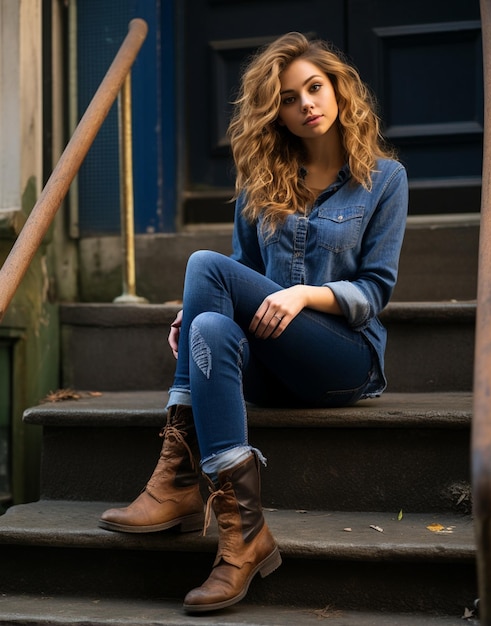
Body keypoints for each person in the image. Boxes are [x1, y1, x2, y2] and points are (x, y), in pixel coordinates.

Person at [99, 31, 408, 613]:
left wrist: (304, 296)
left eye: (314, 88)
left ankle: (177, 479)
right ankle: (242, 536)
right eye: (290, 98)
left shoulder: (384, 179)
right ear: (278, 113)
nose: (306, 105)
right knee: (210, 329)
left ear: (338, 90)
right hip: (269, 361)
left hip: (342, 357)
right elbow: (239, 273)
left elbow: (375, 290)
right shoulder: (260, 181)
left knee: (201, 265)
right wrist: (192, 315)